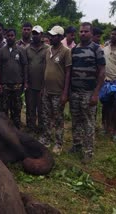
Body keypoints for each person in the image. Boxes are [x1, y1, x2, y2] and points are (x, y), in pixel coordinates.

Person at [69, 22, 106, 163]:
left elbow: (102, 72)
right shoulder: (75, 49)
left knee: (88, 123)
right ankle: (77, 145)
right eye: (81, 31)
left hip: (89, 92)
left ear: (91, 33)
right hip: (75, 92)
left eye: (85, 31)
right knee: (75, 120)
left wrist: (96, 93)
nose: (83, 34)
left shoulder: (96, 49)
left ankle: (88, 151)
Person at [38, 26, 72, 155]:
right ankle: (46, 139)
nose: (50, 37)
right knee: (46, 117)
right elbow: (46, 70)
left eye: (53, 36)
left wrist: (65, 93)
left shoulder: (66, 51)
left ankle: (58, 143)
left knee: (58, 119)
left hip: (58, 92)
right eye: (50, 35)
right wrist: (42, 88)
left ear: (61, 37)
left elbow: (68, 73)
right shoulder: (48, 50)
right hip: (47, 91)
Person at [0, 28, 28, 129]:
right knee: (4, 110)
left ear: (15, 36)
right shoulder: (1, 51)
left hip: (17, 86)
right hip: (5, 85)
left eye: (12, 35)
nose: (10, 37)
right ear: (6, 37)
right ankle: (5, 132)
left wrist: (25, 82)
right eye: (8, 36)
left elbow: (25, 66)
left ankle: (16, 131)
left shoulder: (21, 50)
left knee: (17, 110)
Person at [25, 25, 49, 133]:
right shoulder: (27, 49)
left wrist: (45, 86)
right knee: (30, 108)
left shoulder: (47, 49)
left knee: (42, 109)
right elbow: (25, 66)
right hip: (30, 85)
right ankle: (31, 128)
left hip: (42, 85)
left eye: (37, 34)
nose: (35, 36)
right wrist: (25, 82)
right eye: (33, 33)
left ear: (42, 35)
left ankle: (42, 129)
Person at [102, 28, 116, 143]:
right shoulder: (105, 49)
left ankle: (115, 130)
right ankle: (106, 127)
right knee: (105, 106)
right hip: (105, 82)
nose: (113, 36)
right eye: (112, 34)